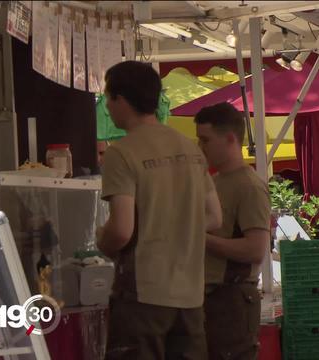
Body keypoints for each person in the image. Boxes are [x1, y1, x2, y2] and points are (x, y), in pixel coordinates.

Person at [97, 61, 222, 360]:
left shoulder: (122, 153)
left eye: (107, 98)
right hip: (191, 297)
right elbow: (215, 218)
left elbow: (121, 230)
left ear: (121, 99)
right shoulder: (190, 149)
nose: (107, 107)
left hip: (144, 296)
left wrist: (101, 241)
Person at [194, 102, 271, 360]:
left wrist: (199, 238)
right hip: (208, 297)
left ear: (229, 139)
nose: (200, 147)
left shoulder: (249, 186)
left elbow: (256, 249)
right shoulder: (212, 183)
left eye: (205, 139)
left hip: (232, 298)